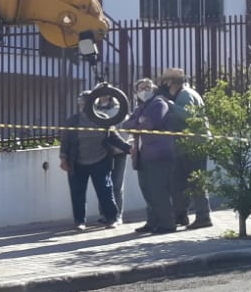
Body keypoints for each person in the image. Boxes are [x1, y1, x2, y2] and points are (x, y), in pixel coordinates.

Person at [157, 67, 212, 229]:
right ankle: (181, 215)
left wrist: (170, 105)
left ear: (172, 82)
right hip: (184, 144)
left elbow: (190, 116)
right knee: (179, 181)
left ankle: (203, 216)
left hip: (194, 144)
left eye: (166, 81)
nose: (164, 85)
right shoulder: (184, 94)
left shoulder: (186, 95)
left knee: (196, 181)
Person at [122, 78, 178, 235]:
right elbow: (126, 125)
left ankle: (167, 224)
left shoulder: (158, 103)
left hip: (159, 154)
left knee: (159, 191)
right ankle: (152, 222)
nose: (144, 90)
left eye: (147, 87)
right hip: (143, 156)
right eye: (140, 88)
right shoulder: (140, 108)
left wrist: (137, 123)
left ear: (153, 89)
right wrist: (138, 122)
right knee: (147, 190)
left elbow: (151, 124)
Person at [59, 94, 118, 231]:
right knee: (77, 193)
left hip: (100, 161)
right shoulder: (73, 121)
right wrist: (63, 159)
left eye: (85, 103)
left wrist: (128, 148)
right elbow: (65, 141)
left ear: (94, 104)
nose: (83, 106)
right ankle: (79, 221)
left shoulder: (103, 119)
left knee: (105, 191)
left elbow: (113, 137)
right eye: (81, 104)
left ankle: (112, 218)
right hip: (77, 162)